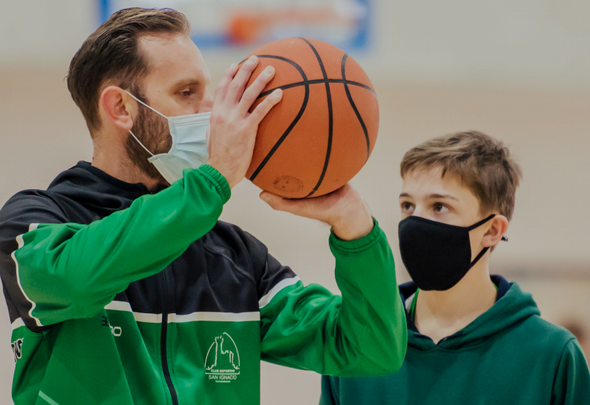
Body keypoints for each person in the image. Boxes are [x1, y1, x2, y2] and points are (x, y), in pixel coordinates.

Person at [0, 8, 407, 405]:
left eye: (206, 92)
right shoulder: (34, 224)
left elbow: (371, 349)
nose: (212, 111)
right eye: (186, 92)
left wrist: (355, 228)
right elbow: (73, 279)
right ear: (121, 108)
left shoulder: (235, 256)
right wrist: (215, 178)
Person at [320, 131, 590, 405]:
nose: (415, 222)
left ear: (492, 230)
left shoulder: (552, 355)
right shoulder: (357, 344)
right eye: (407, 205)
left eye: (439, 206)